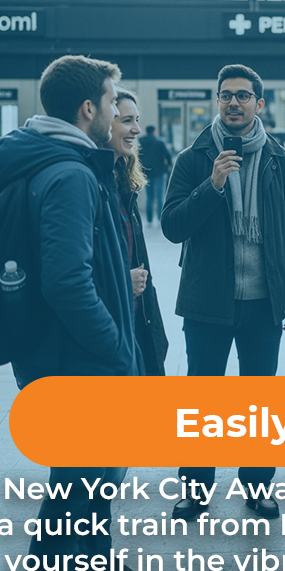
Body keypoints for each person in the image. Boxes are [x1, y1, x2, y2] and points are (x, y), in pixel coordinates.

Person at [0, 55, 156, 571]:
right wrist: (116, 347)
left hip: (61, 355)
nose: (117, 113)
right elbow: (67, 281)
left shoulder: (56, 161)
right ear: (89, 108)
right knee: (73, 490)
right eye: (112, 103)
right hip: (77, 361)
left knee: (91, 478)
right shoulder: (71, 174)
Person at [162, 63, 285, 521]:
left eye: (243, 95)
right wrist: (214, 184)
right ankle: (195, 488)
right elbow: (171, 226)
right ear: (217, 101)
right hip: (208, 301)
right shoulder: (193, 158)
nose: (233, 102)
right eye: (226, 95)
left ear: (259, 104)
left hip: (264, 300)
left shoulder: (281, 161)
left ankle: (258, 485)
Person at [104, 91, 168, 375]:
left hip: (133, 319)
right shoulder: (87, 182)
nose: (136, 129)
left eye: (137, 120)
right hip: (109, 326)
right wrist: (120, 281)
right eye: (126, 120)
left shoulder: (122, 181)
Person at [138, 124, 173, 226]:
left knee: (149, 197)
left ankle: (149, 221)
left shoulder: (141, 142)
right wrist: (169, 166)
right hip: (159, 171)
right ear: (154, 131)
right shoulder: (159, 142)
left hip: (146, 172)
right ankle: (159, 219)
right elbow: (168, 155)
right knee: (159, 196)